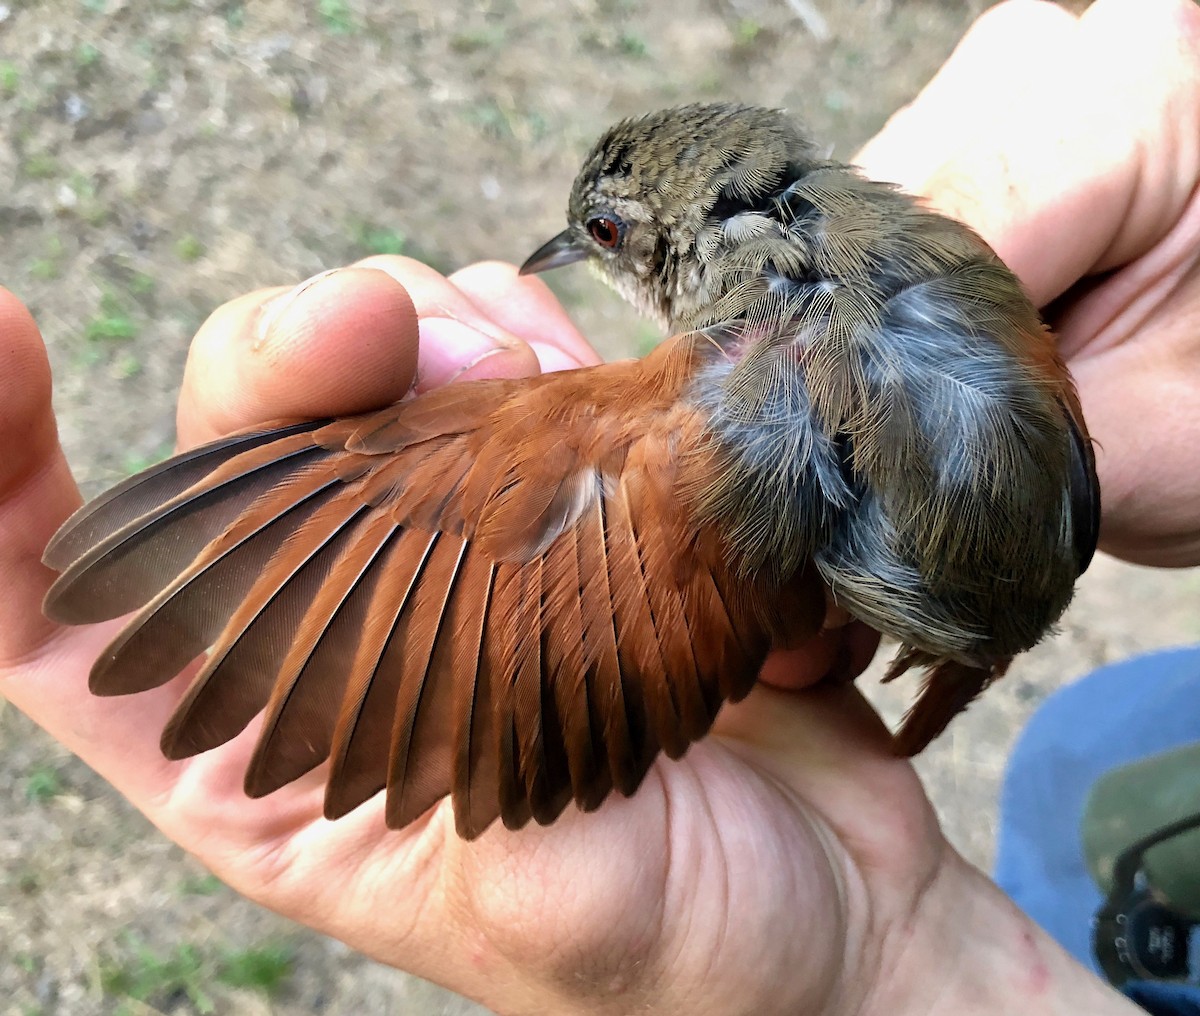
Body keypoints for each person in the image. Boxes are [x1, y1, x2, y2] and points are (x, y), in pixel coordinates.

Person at [1, 0, 1197, 1011]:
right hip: (1007, 603)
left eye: (610, 236)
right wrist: (888, 960)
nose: (589, 255)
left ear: (675, 246)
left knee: (1070, 753)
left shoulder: (671, 417)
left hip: (973, 608)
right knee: (1077, 746)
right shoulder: (943, 249)